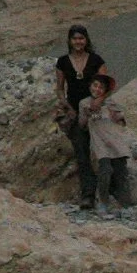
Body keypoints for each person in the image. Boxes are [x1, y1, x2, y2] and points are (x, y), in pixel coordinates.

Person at [53, 24, 108, 210]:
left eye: (81, 38)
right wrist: (67, 107)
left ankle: (110, 191)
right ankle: (88, 195)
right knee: (82, 153)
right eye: (75, 38)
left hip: (95, 111)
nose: (78, 42)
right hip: (75, 113)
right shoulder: (62, 62)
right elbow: (60, 89)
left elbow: (104, 86)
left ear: (86, 40)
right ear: (70, 40)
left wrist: (97, 102)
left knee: (103, 151)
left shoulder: (96, 60)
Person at [78, 72, 135, 211]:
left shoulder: (111, 103)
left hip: (114, 141)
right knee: (105, 170)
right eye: (95, 85)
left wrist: (115, 114)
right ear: (90, 86)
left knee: (121, 171)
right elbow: (82, 125)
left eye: (101, 88)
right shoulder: (84, 103)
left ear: (105, 91)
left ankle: (124, 201)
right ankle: (102, 201)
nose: (97, 89)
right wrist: (87, 113)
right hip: (99, 142)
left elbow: (121, 120)